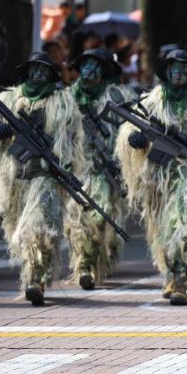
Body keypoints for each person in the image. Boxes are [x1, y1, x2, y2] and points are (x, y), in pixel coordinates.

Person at [115, 49, 187, 305]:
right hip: (158, 177)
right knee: (161, 231)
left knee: (184, 226)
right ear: (166, 72)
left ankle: (181, 279)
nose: (178, 73)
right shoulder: (153, 100)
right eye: (173, 68)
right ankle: (170, 273)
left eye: (183, 68)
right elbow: (133, 125)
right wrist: (135, 139)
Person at [0, 51, 86, 305]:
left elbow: (71, 139)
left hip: (45, 174)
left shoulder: (62, 101)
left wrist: (61, 162)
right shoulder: (9, 98)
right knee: (18, 228)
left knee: (37, 227)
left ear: (51, 74)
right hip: (15, 176)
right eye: (34, 69)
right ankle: (35, 270)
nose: (38, 74)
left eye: (43, 70)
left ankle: (35, 279)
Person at [65, 48, 134, 289]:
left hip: (106, 169)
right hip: (75, 167)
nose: (89, 70)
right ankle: (85, 265)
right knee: (79, 218)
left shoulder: (116, 96)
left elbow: (130, 126)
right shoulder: (65, 98)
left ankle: (93, 262)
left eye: (95, 65)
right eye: (85, 64)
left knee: (100, 214)